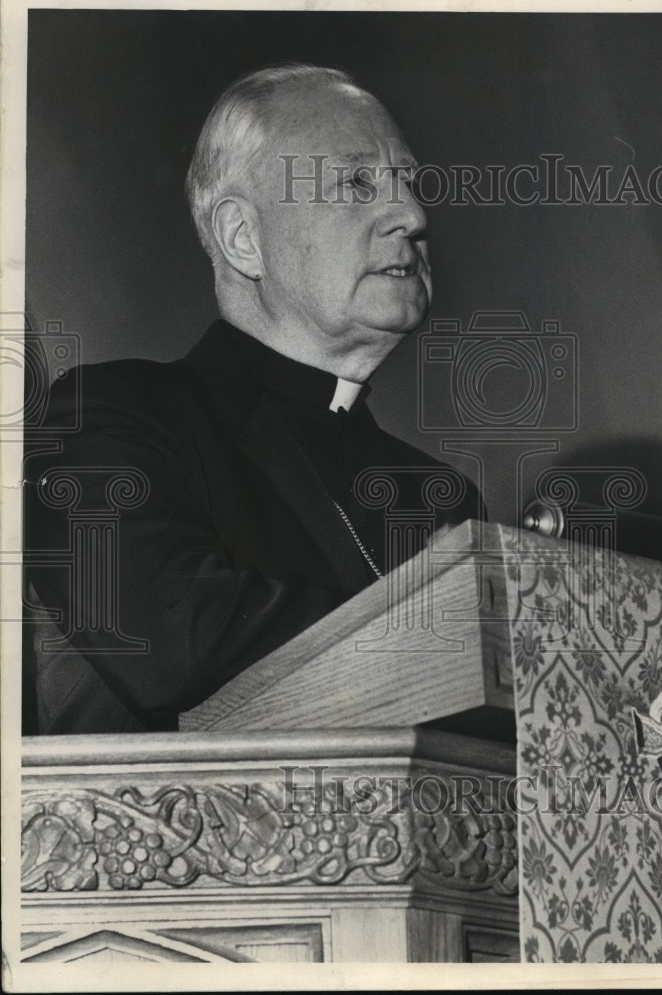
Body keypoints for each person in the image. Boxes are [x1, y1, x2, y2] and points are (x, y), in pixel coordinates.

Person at [23, 64, 482, 735]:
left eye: (409, 182)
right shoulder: (111, 417)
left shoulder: (440, 494)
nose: (413, 215)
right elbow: (169, 642)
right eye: (356, 182)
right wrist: (459, 622)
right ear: (243, 238)